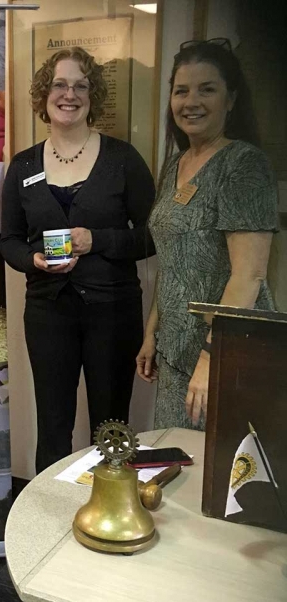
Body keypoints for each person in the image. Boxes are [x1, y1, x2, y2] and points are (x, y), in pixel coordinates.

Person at [1, 47, 156, 474]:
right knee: (53, 425)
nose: (69, 94)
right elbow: (9, 240)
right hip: (48, 311)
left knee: (110, 425)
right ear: (44, 94)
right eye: (60, 84)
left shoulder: (122, 159)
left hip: (113, 309)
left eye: (81, 85)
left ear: (93, 95)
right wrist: (33, 259)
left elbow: (154, 235)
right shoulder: (23, 165)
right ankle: (51, 520)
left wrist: (97, 240)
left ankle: (110, 514)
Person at [136, 39, 278, 430]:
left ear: (231, 99)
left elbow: (249, 276)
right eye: (181, 91)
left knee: (219, 472)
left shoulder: (244, 165)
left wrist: (212, 356)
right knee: (176, 459)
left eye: (207, 89)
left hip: (227, 352)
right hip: (176, 348)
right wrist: (152, 335)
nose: (191, 101)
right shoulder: (175, 164)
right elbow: (172, 260)